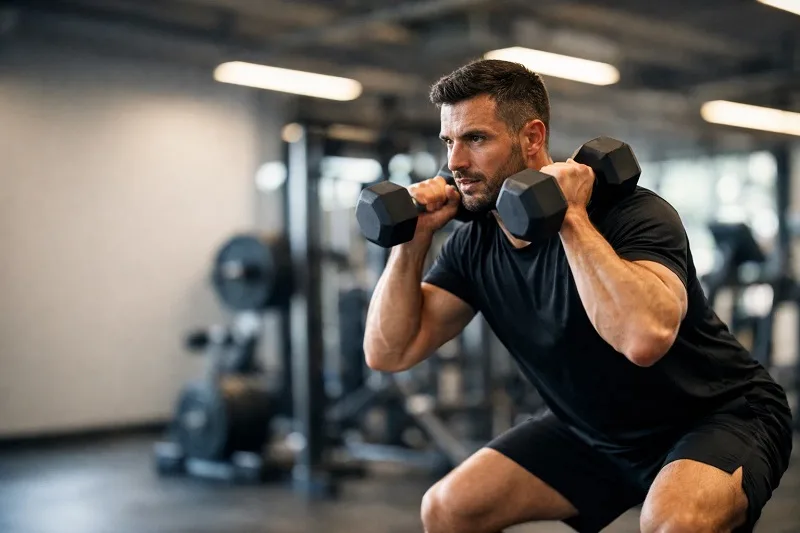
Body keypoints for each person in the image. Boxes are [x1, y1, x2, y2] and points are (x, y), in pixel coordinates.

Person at [362, 59, 793, 533]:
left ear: (532, 137)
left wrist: (571, 217)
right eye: (449, 142)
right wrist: (414, 239)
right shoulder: (474, 245)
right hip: (592, 431)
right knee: (448, 508)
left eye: (476, 139)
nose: (455, 162)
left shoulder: (632, 213)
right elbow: (389, 352)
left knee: (676, 523)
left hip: (717, 416)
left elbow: (645, 338)